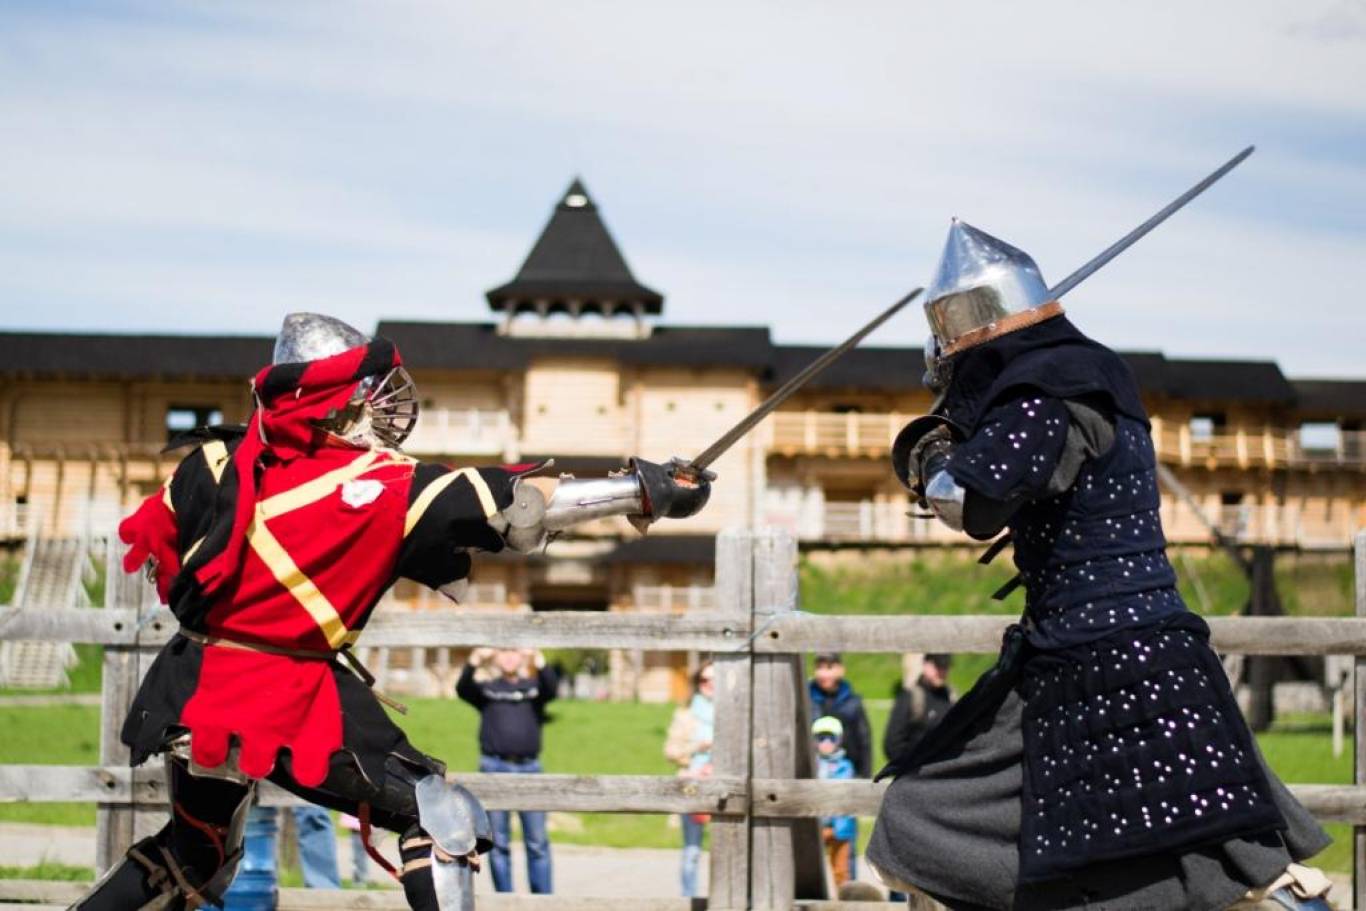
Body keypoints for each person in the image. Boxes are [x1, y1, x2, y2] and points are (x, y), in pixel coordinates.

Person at [72, 312, 711, 910]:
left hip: (191, 685)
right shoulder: (386, 483)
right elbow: (523, 506)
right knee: (438, 815)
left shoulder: (212, 463)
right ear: (343, 399)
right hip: (286, 694)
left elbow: (162, 551)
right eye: (374, 388)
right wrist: (643, 490)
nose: (389, 402)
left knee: (192, 860)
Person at [867, 221, 1333, 910]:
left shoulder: (1042, 391)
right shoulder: (1089, 376)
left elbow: (971, 499)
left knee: (1236, 857)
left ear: (963, 327)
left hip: (1112, 661)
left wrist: (932, 456)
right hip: (1100, 657)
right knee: (929, 819)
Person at [456, 647, 558, 894]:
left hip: (529, 768)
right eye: (503, 652)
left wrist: (540, 661)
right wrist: (474, 661)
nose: (510, 657)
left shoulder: (534, 688)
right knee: (498, 842)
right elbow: (462, 689)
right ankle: (505, 899)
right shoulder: (487, 689)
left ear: (522, 655)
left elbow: (552, 690)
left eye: (514, 651)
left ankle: (543, 900)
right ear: (495, 657)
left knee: (537, 842)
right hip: (494, 767)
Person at [663, 660, 715, 898]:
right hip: (692, 785)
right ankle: (688, 897)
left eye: (715, 680)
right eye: (705, 680)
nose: (710, 685)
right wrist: (697, 747)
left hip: (722, 787)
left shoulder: (734, 712)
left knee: (724, 849)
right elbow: (671, 750)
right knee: (692, 850)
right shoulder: (686, 714)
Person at [882, 654, 955, 769]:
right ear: (925, 665)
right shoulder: (910, 697)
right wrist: (912, 768)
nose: (941, 671)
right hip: (915, 774)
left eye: (945, 667)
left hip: (945, 774)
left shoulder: (951, 698)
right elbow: (892, 744)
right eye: (938, 667)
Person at [808, 652, 872, 778]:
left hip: (846, 773)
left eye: (829, 668)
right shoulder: (806, 700)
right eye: (819, 668)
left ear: (841, 670)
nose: (823, 674)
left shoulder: (853, 703)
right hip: (813, 772)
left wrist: (864, 776)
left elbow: (864, 742)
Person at [813, 715, 856, 889]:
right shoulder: (812, 764)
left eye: (831, 738)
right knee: (812, 869)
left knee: (841, 871)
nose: (826, 743)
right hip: (817, 825)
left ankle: (845, 903)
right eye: (821, 738)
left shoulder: (845, 765)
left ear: (839, 740)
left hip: (839, 825)